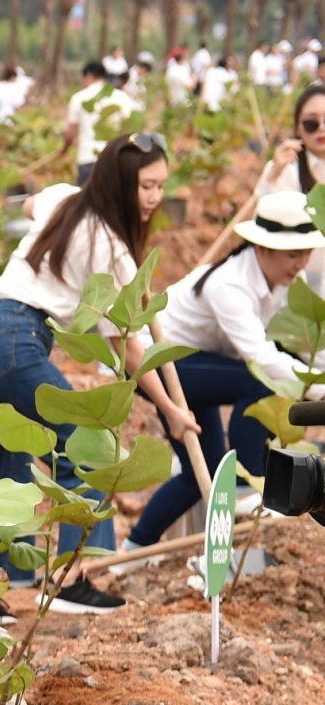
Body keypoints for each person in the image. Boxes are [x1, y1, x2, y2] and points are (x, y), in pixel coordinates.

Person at [0, 133, 198, 614]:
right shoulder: (113, 249)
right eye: (145, 185)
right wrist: (169, 409)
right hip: (14, 343)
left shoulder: (64, 200)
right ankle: (74, 578)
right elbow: (122, 342)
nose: (153, 198)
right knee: (89, 446)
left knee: (4, 465)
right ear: (121, 183)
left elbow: (31, 206)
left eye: (160, 186)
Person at [122, 191, 325, 559]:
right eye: (293, 254)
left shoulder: (283, 284)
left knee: (206, 477)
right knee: (260, 377)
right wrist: (317, 391)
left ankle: (130, 554)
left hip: (198, 368)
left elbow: (303, 344)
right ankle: (249, 485)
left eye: (305, 253)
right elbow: (260, 357)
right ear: (262, 249)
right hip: (156, 365)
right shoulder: (229, 284)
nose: (301, 263)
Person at [253, 84, 325, 290]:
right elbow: (263, 219)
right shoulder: (286, 168)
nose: (321, 127)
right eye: (312, 123)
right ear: (298, 127)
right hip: (294, 277)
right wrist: (273, 173)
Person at [63, 61, 138, 184]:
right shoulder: (122, 97)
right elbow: (131, 129)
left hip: (87, 158)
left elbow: (70, 133)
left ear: (89, 76)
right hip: (115, 159)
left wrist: (64, 149)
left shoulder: (79, 98)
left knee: (86, 201)